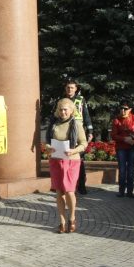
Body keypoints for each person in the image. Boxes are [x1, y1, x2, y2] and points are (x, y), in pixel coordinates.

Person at [45, 98, 87, 233]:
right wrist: (48, 147)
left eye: (65, 109)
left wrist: (73, 151)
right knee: (59, 192)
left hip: (72, 160)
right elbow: (47, 141)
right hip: (56, 160)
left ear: (71, 110)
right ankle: (62, 222)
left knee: (69, 191)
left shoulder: (76, 124)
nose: (63, 112)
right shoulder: (54, 124)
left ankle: (72, 218)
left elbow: (84, 143)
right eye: (61, 109)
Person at [59, 79, 93, 195]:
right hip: (65, 132)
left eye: (72, 87)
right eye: (68, 87)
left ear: (76, 89)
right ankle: (64, 185)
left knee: (80, 160)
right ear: (65, 88)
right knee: (63, 159)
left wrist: (90, 130)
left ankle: (81, 186)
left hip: (78, 132)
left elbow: (86, 115)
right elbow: (56, 115)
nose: (70, 89)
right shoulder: (62, 101)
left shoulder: (81, 100)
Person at [111, 100, 134, 197]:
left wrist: (132, 137)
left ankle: (130, 192)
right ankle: (121, 191)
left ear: (130, 110)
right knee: (122, 169)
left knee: (131, 169)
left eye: (125, 109)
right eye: (121, 108)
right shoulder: (116, 120)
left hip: (132, 147)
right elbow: (113, 135)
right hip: (121, 148)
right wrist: (124, 139)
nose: (123, 110)